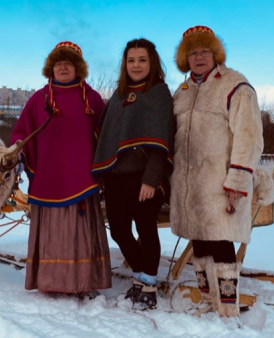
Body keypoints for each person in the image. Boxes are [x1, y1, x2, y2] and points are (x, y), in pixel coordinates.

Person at [170, 26, 264, 318]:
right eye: (193, 53)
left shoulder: (235, 86)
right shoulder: (182, 92)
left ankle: (227, 308)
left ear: (215, 54)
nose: (199, 57)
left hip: (220, 180)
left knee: (220, 240)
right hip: (189, 183)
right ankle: (207, 299)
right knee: (198, 237)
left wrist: (238, 177)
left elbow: (249, 135)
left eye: (204, 52)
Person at [11, 41, 112, 297]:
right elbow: (22, 134)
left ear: (78, 68)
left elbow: (108, 134)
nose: (63, 67)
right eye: (59, 63)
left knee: (80, 232)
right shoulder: (39, 99)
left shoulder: (92, 99)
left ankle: (82, 281)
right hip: (48, 178)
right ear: (51, 68)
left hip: (83, 180)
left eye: (69, 63)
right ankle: (51, 281)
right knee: (52, 233)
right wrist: (17, 154)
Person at [92, 38, 173, 310]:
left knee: (146, 229)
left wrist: (151, 179)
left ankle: (148, 285)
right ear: (124, 64)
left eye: (142, 60)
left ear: (152, 63)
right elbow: (104, 133)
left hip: (143, 178)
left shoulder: (159, 93)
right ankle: (140, 276)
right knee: (118, 231)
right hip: (116, 177)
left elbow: (161, 142)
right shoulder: (118, 95)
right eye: (131, 60)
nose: (136, 65)